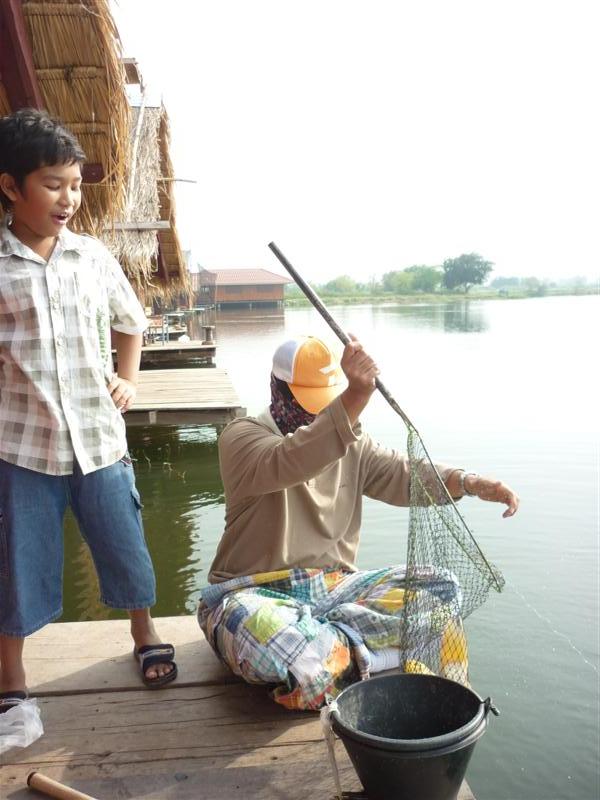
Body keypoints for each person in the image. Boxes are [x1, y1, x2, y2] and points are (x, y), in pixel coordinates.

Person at [198, 335, 519, 710]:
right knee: (267, 635)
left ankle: (332, 651)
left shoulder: (349, 440)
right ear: (279, 390)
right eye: (310, 403)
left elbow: (404, 473)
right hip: (253, 591)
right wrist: (355, 399)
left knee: (441, 589)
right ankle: (362, 650)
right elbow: (291, 459)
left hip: (334, 589)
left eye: (329, 401)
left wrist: (468, 482)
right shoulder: (242, 437)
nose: (322, 412)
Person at [0, 109, 177, 714]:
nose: (68, 198)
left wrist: (127, 380)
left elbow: (133, 323)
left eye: (75, 185)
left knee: (124, 541)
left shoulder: (93, 257)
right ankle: (12, 674)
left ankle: (143, 633)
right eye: (52, 184)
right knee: (17, 559)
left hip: (101, 440)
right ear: (10, 186)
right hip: (23, 448)